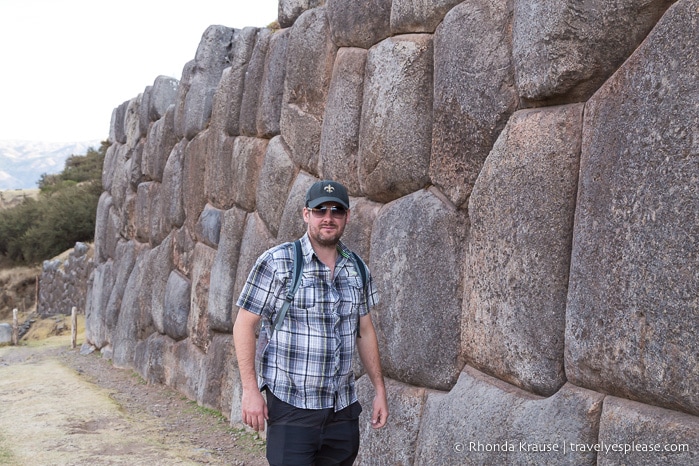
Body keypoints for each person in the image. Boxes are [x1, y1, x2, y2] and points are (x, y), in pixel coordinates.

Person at [233, 180, 389, 465]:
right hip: (292, 407)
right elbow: (244, 325)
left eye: (336, 210)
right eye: (320, 210)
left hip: (342, 409)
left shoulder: (357, 268)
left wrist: (379, 391)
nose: (328, 218)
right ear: (306, 214)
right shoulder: (278, 262)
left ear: (347, 217)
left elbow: (365, 332)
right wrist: (250, 390)